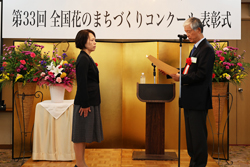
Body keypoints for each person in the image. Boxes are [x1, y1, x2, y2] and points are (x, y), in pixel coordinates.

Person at [161, 17, 215, 167]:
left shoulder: (207, 49)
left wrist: (181, 77)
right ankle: (194, 163)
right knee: (191, 137)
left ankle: (199, 164)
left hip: (198, 100)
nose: (187, 35)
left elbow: (202, 74)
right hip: (190, 99)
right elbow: (188, 70)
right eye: (186, 32)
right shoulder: (195, 48)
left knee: (198, 137)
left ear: (198, 29)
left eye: (189, 32)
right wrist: (171, 72)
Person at [72, 29, 103, 167]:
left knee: (83, 133)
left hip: (90, 101)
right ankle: (79, 164)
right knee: (80, 135)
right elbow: (82, 83)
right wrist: (85, 104)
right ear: (83, 42)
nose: (94, 42)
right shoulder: (83, 59)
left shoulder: (87, 57)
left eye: (95, 39)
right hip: (85, 103)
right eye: (91, 40)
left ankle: (81, 163)